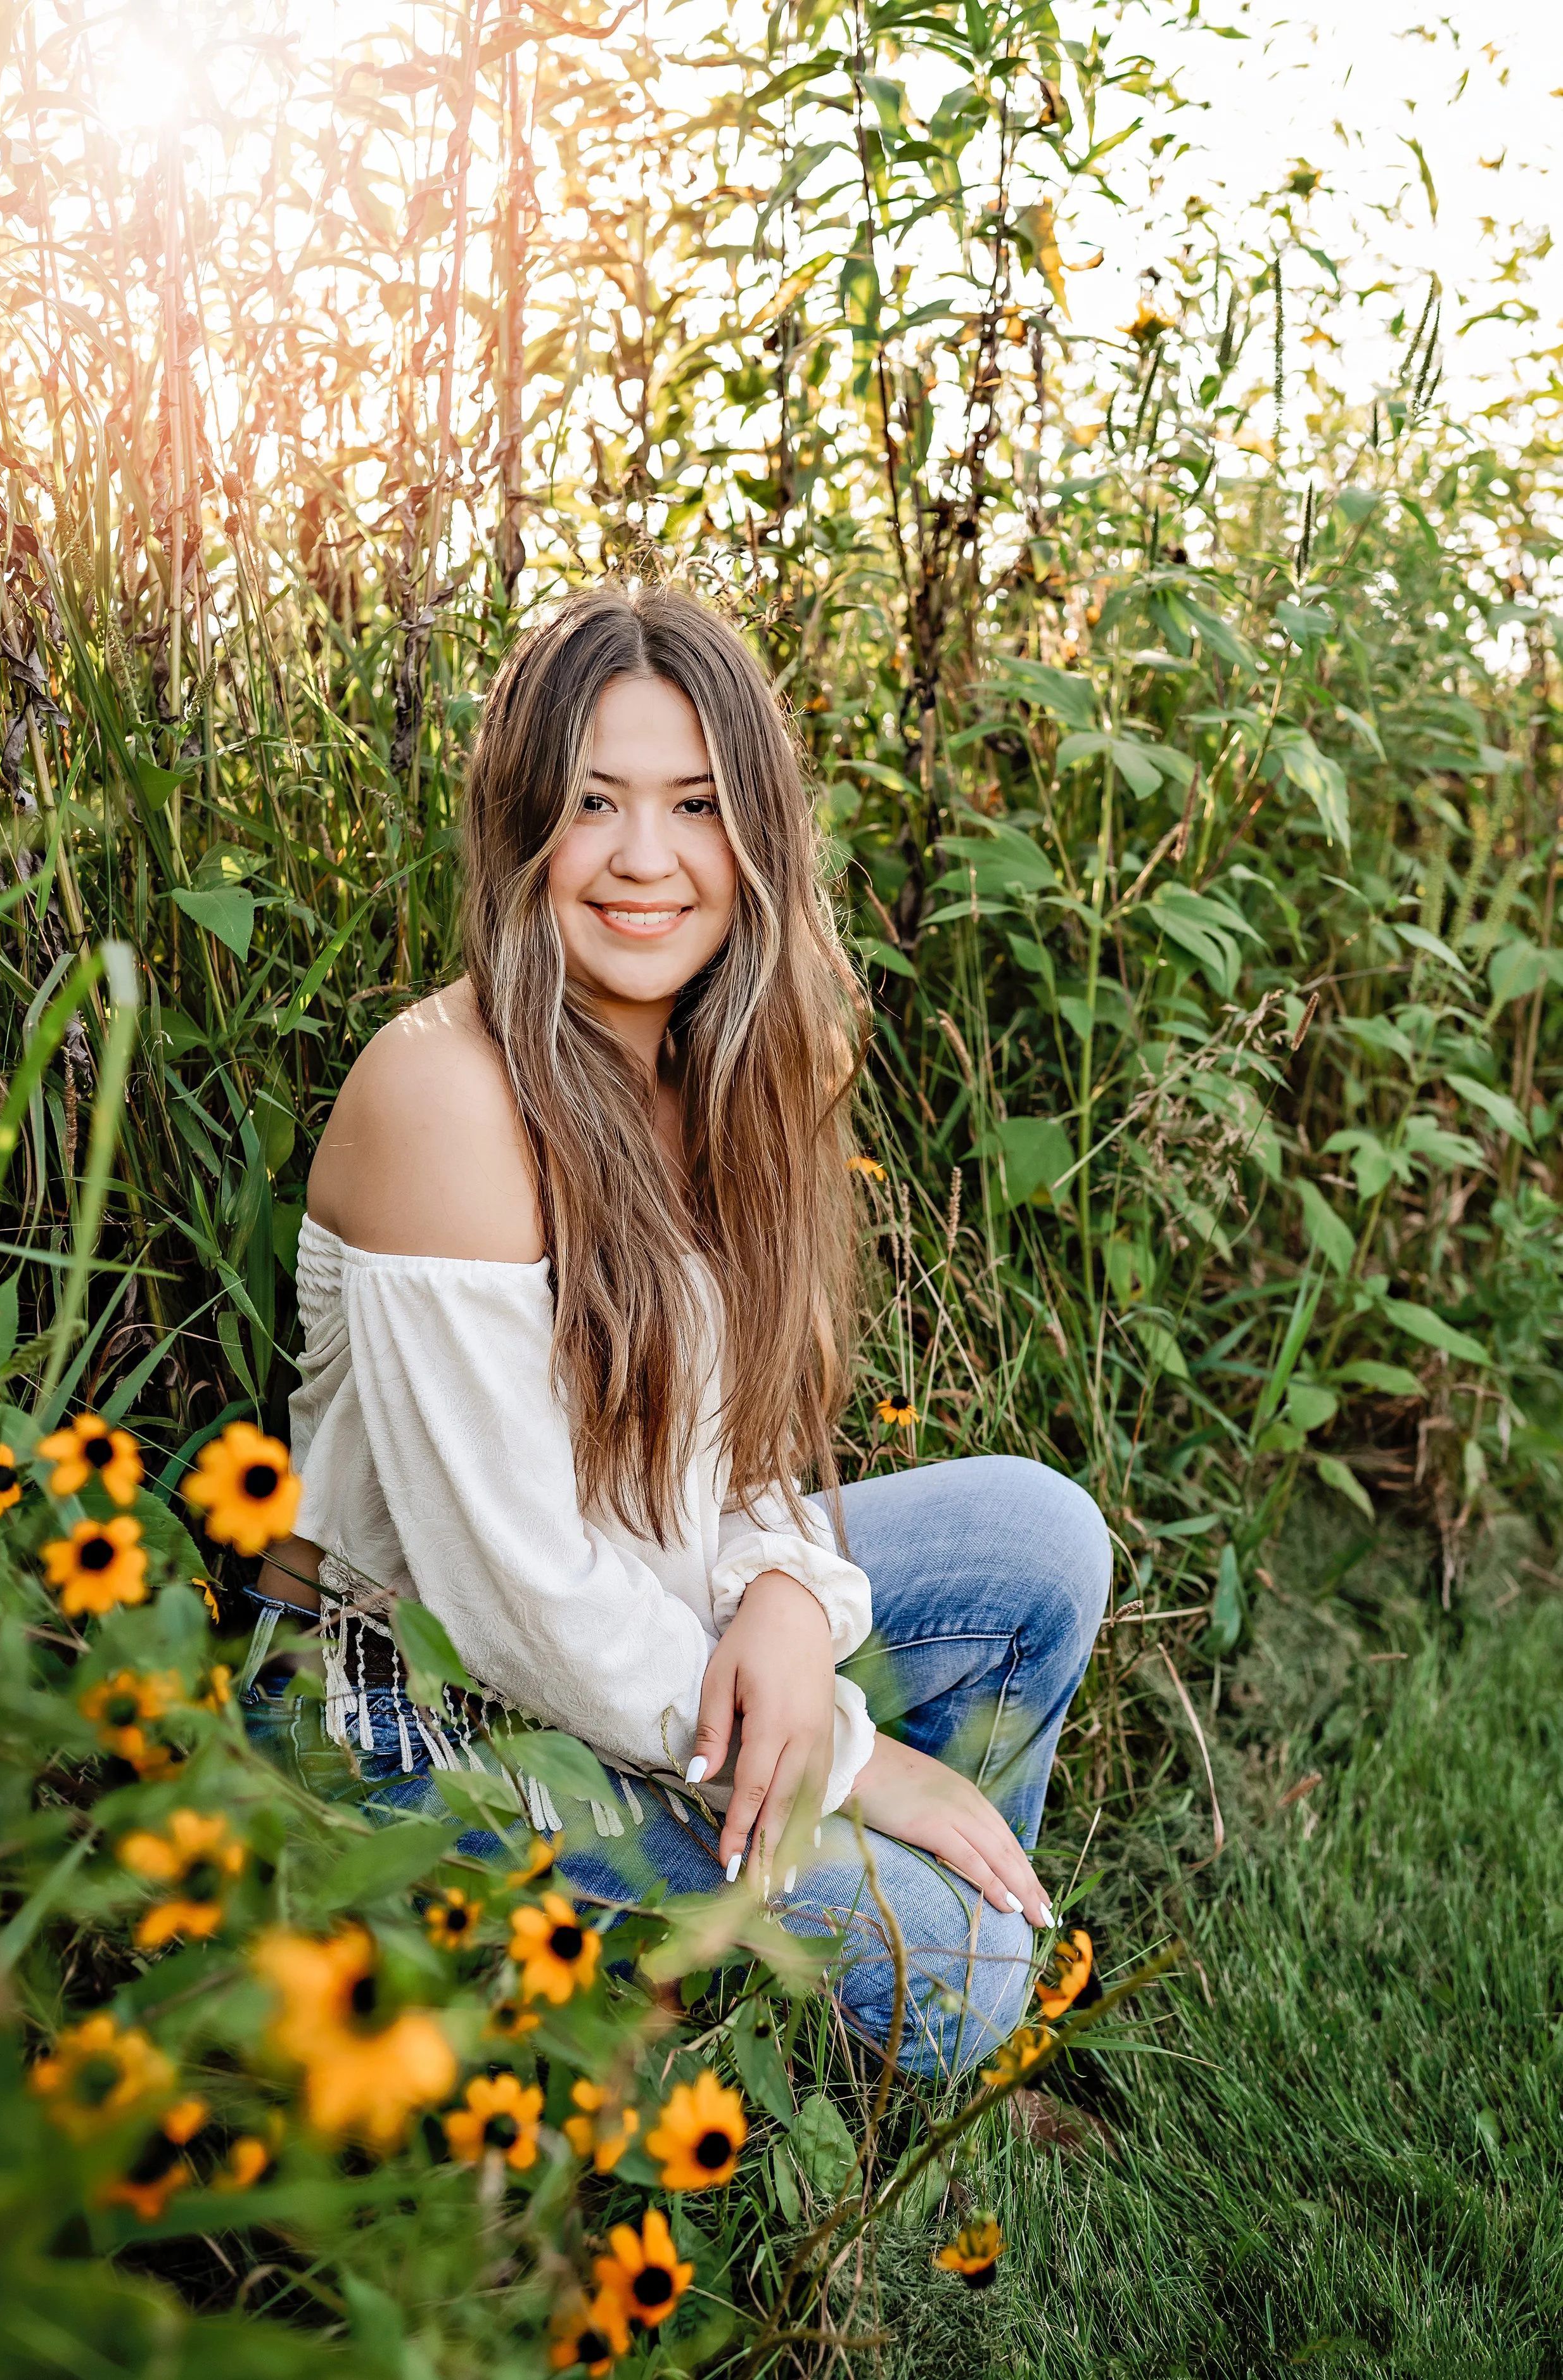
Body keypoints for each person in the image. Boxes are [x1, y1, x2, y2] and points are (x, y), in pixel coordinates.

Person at [240, 583, 1111, 2077]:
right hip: (411, 1712)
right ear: (524, 826)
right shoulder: (441, 1094)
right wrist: (857, 1761)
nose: (647, 860)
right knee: (963, 1969)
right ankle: (856, 2033)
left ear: (753, 837)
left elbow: (743, 1448)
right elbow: (513, 1602)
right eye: (595, 802)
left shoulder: (724, 1066)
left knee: (1038, 1537)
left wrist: (781, 1589)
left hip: (627, 1621)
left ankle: (904, 1953)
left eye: (697, 804)